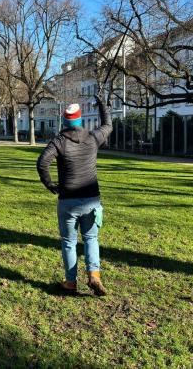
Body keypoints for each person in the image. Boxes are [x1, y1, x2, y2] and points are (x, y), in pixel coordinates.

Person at [36, 95, 112, 296]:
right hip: (91, 200)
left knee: (69, 242)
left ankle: (70, 282)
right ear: (80, 119)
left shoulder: (59, 141)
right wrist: (102, 104)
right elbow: (108, 125)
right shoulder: (93, 138)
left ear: (65, 120)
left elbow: (42, 162)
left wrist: (50, 184)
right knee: (91, 238)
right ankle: (94, 275)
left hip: (67, 201)